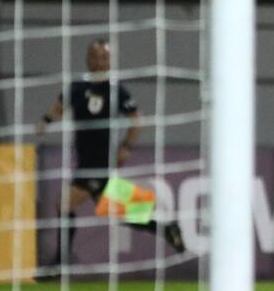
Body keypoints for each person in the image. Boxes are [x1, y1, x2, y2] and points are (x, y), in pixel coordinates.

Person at [37, 38, 185, 271]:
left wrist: (126, 146)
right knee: (110, 208)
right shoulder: (77, 87)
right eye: (96, 57)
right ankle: (166, 228)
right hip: (84, 159)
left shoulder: (116, 90)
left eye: (104, 58)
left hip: (100, 161)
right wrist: (45, 121)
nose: (100, 62)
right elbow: (59, 107)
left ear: (110, 61)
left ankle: (60, 262)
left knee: (65, 203)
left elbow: (136, 119)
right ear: (88, 59)